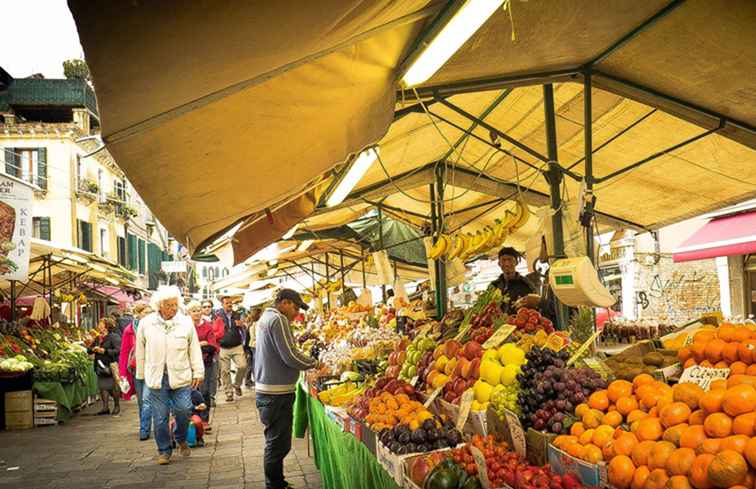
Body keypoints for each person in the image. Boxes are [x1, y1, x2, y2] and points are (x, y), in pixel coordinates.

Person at [135, 285, 204, 465]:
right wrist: (141, 375)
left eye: (175, 304)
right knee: (159, 417)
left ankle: (180, 437)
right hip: (156, 378)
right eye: (168, 305)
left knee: (183, 409)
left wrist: (198, 371)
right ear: (159, 305)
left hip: (181, 376)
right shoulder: (146, 323)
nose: (173, 308)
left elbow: (194, 349)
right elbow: (140, 350)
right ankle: (164, 450)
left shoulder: (186, 322)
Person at [255, 289, 317, 489]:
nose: (296, 312)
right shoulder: (278, 320)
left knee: (276, 440)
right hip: (276, 392)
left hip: (268, 390)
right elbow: (290, 356)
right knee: (278, 443)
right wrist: (314, 363)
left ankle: (276, 482)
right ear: (284, 303)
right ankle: (275, 484)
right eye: (296, 306)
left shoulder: (266, 317)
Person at [118, 303, 154, 440]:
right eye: (145, 312)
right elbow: (124, 352)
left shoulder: (157, 328)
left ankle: (144, 430)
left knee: (147, 399)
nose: (148, 315)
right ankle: (145, 425)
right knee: (142, 401)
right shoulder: (129, 330)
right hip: (136, 369)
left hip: (153, 368)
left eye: (150, 312)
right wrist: (122, 374)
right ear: (137, 314)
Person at [186, 300, 218, 428]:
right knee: (192, 391)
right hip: (189, 364)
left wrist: (198, 345)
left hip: (206, 362)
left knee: (204, 391)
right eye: (194, 311)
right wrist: (201, 343)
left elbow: (212, 346)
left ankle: (204, 420)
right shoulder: (186, 327)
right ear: (188, 313)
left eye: (199, 310)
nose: (197, 313)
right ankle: (194, 418)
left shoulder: (208, 326)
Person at [213, 295, 247, 402]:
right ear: (222, 304)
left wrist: (242, 324)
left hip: (237, 345)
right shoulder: (217, 316)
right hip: (223, 347)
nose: (229, 305)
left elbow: (244, 327)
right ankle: (229, 393)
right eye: (227, 303)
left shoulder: (237, 314)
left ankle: (237, 385)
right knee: (225, 371)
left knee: (243, 366)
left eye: (230, 303)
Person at [490, 247, 541, 315]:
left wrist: (525, 305)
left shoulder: (526, 284)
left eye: (510, 260)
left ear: (516, 262)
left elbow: (536, 307)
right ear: (499, 263)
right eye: (503, 260)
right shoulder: (494, 285)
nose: (507, 264)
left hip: (519, 323)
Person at [88, 317, 122, 416]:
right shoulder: (98, 338)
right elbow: (89, 349)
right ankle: (105, 407)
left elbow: (118, 350)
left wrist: (105, 351)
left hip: (110, 364)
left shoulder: (114, 337)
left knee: (113, 386)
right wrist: (93, 349)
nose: (99, 325)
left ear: (106, 326)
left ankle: (116, 406)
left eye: (100, 324)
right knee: (103, 386)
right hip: (100, 365)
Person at [201, 299, 219, 406]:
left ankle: (211, 397)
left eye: (208, 306)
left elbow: (220, 333)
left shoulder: (216, 319)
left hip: (214, 351)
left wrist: (208, 341)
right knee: (203, 377)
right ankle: (203, 397)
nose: (207, 308)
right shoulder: (197, 321)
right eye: (204, 307)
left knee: (213, 376)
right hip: (200, 354)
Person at [244, 307, 262, 388]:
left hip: (251, 346)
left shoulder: (251, 323)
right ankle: (255, 380)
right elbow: (256, 337)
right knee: (254, 364)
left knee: (251, 364)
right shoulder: (255, 324)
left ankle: (251, 380)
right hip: (255, 346)